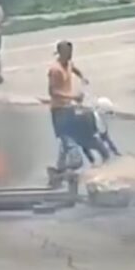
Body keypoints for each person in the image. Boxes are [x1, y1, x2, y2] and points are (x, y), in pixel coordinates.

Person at [48, 40, 89, 173]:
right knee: (66, 137)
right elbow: (53, 92)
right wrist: (73, 97)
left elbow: (73, 68)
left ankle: (60, 166)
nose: (70, 55)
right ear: (60, 53)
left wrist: (82, 76)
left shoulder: (68, 63)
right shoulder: (55, 70)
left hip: (68, 107)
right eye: (67, 52)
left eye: (71, 52)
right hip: (58, 108)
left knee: (67, 135)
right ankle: (76, 161)